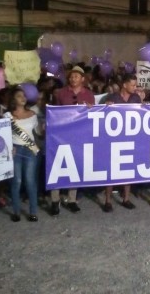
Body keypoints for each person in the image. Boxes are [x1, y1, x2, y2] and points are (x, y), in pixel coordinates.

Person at [50, 65, 94, 216]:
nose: (73, 78)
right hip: (61, 135)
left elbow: (93, 115)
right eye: (71, 76)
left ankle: (72, 199)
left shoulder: (88, 94)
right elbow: (54, 112)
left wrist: (91, 109)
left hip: (79, 136)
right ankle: (55, 200)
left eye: (76, 76)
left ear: (82, 79)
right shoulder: (61, 93)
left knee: (74, 167)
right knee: (57, 166)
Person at [102, 73, 141, 212]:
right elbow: (101, 115)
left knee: (128, 169)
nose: (135, 87)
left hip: (130, 138)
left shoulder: (136, 98)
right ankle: (107, 201)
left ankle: (126, 199)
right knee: (112, 170)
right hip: (114, 140)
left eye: (135, 85)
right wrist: (106, 107)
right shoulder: (113, 98)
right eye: (132, 85)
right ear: (124, 85)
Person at [4, 87, 41, 222]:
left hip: (30, 149)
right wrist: (9, 147)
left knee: (30, 180)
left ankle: (33, 211)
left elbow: (38, 133)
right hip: (15, 150)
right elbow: (3, 134)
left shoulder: (33, 114)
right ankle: (16, 211)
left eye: (24, 96)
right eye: (19, 96)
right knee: (16, 181)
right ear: (14, 99)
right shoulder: (7, 116)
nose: (23, 98)